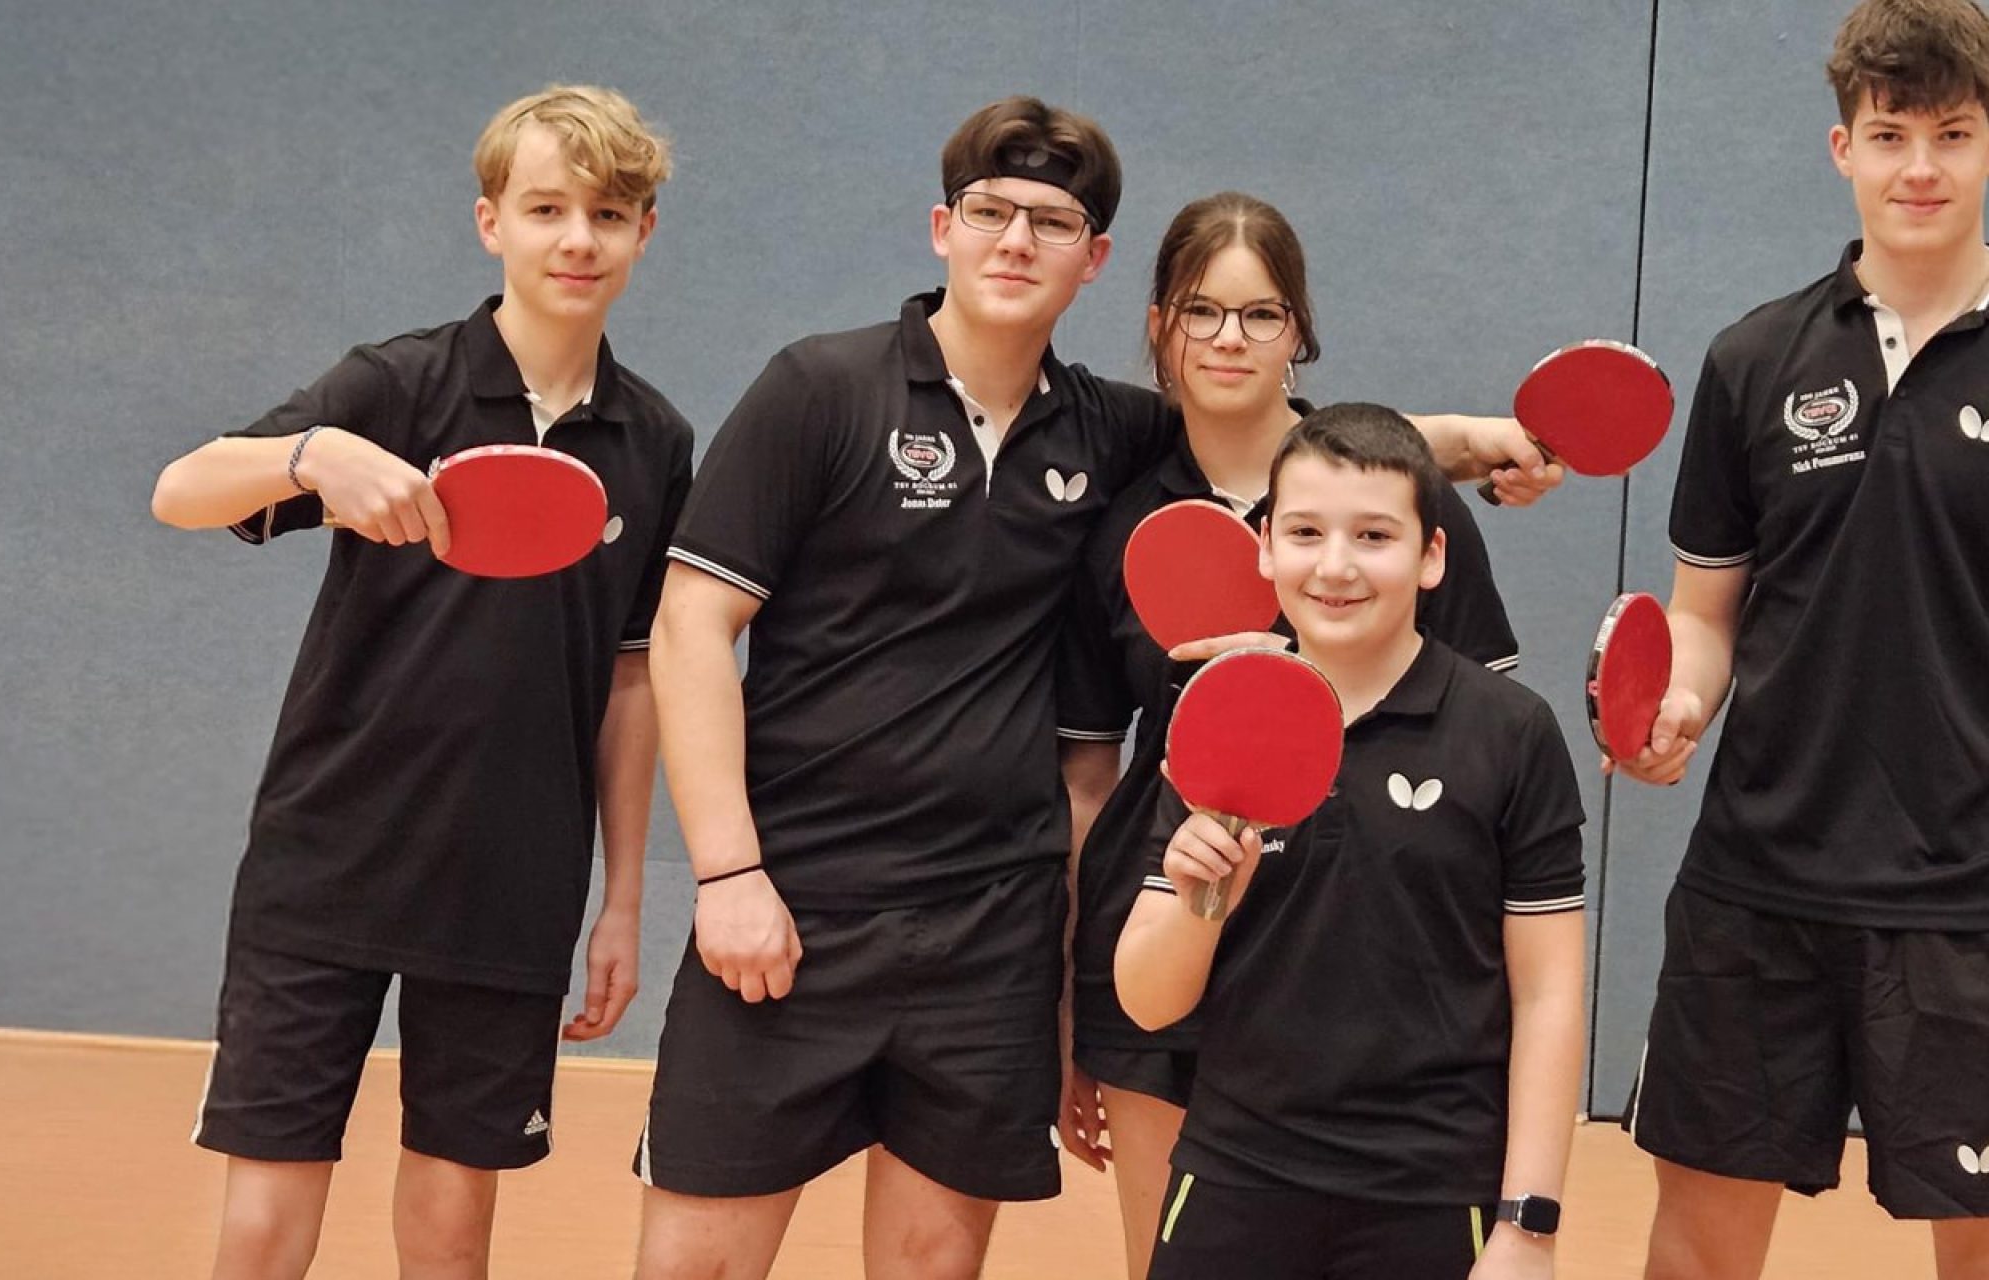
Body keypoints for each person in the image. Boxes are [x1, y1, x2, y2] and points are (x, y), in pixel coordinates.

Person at [635, 97, 1558, 1280]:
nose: (1016, 240)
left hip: (987, 929)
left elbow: (1273, 440)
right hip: (797, 901)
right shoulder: (821, 390)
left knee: (929, 1262)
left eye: (1051, 221)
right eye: (990, 213)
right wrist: (726, 870)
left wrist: (1452, 442)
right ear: (942, 226)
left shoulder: (1099, 429)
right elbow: (688, 626)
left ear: (1094, 257)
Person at [1612, 4, 1989, 1277]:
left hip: (1985, 902)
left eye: (1948, 134)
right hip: (1755, 886)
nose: (1919, 167)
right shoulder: (1753, 359)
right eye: (1888, 134)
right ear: (1843, 149)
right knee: (1698, 1240)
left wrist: (1975, 721)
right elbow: (1706, 612)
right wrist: (1680, 704)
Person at [149, 84, 691, 1280]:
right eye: (545, 207)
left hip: (511, 882)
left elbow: (634, 681)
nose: (576, 238)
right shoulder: (394, 386)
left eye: (608, 212)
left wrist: (622, 899)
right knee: (262, 1224)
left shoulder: (654, 440)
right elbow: (180, 490)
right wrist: (311, 452)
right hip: (326, 862)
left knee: (451, 1236)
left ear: (644, 232)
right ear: (490, 220)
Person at [1056, 192, 1521, 1280]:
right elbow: (1087, 779)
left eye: (1260, 314)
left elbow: (1482, 766)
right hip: (1166, 933)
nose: (1228, 338)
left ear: (1297, 330)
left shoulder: (1389, 504)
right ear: (1159, 324)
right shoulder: (1118, 515)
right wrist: (1074, 1002)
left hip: (1357, 974)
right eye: (1200, 311)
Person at [1114, 403, 1588, 1280]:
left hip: (1435, 1191)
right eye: (1303, 531)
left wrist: (1530, 1223)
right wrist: (1197, 900)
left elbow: (1550, 991)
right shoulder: (1223, 714)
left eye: (1374, 535)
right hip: (1236, 1175)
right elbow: (1148, 1002)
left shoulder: (1511, 732)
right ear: (1263, 548)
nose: (1335, 566)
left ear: (1432, 554)